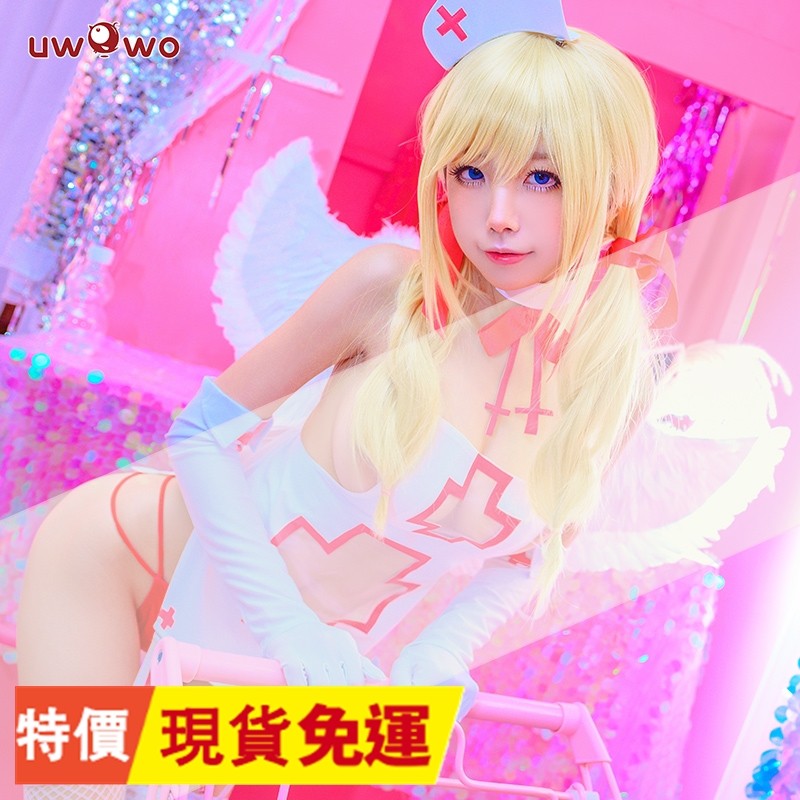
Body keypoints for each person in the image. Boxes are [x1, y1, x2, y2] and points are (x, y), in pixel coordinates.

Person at [19, 1, 764, 798]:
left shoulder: (611, 377)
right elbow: (201, 432)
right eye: (471, 172)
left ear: (611, 191)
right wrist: (289, 626)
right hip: (126, 556)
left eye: (541, 178)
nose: (498, 216)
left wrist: (440, 650)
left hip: (289, 652)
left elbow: (531, 551)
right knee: (89, 791)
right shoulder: (386, 292)